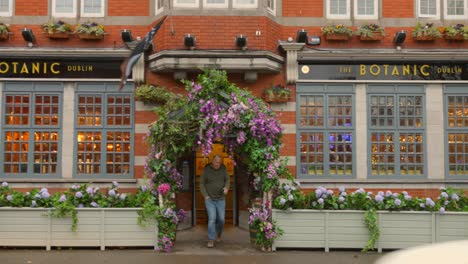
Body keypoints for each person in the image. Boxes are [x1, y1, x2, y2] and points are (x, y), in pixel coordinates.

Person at [200, 154, 230, 248]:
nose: (218, 164)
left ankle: (219, 234)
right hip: (210, 200)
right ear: (212, 162)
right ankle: (211, 239)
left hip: (221, 199)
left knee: (221, 219)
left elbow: (227, 179)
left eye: (219, 162)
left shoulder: (223, 169)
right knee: (212, 219)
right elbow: (202, 183)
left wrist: (226, 187)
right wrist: (205, 195)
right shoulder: (207, 170)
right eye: (216, 162)